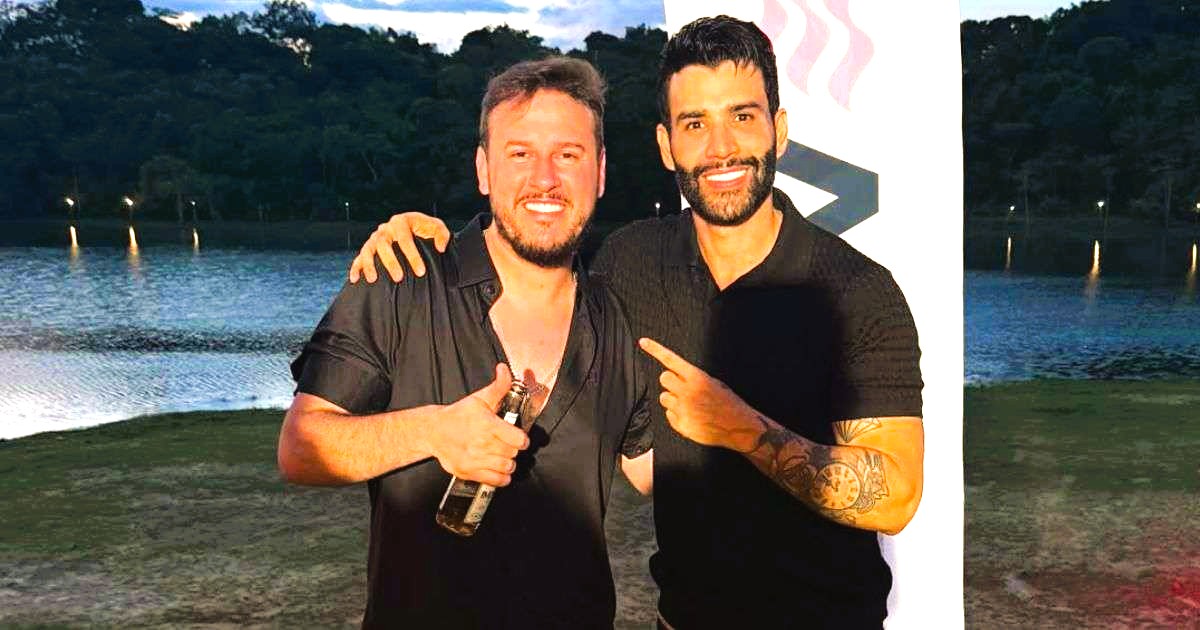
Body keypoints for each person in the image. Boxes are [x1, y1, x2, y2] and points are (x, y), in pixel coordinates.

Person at [347, 16, 924, 629]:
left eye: (742, 116)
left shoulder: (855, 289)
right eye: (695, 124)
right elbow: (534, 266)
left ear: (778, 131)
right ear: (665, 144)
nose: (721, 147)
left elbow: (896, 495)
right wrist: (426, 239)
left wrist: (744, 430)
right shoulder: (629, 261)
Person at [278, 56, 654, 629]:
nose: (545, 179)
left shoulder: (619, 318)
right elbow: (301, 448)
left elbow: (653, 469)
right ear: (484, 168)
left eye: (568, 155)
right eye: (520, 154)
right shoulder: (402, 281)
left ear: (600, 172)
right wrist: (433, 431)